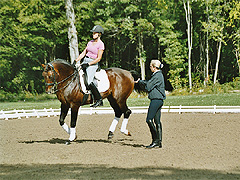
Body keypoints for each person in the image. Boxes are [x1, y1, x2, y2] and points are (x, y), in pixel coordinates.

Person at [135, 60, 166, 148]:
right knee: (157, 121)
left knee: (149, 120)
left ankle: (155, 140)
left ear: (154, 67)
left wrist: (140, 82)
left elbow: (148, 86)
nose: (150, 68)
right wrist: (140, 81)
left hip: (155, 100)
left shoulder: (157, 76)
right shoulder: (157, 75)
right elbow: (149, 83)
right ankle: (159, 142)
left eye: (150, 66)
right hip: (159, 100)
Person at [75, 25, 105, 108]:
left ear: (99, 34)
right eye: (93, 33)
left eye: (94, 33)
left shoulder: (101, 44)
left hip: (93, 64)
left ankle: (99, 99)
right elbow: (84, 53)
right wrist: (76, 60)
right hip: (85, 60)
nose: (93, 34)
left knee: (89, 81)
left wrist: (88, 64)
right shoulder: (90, 42)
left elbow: (98, 58)